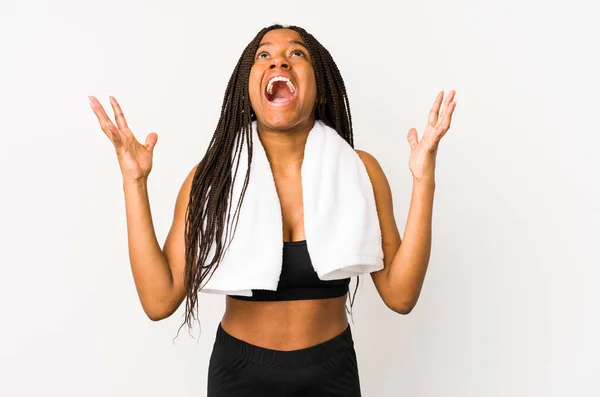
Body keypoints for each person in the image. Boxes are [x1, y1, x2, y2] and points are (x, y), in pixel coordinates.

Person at [89, 24, 456, 397]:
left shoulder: (361, 171)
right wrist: (134, 182)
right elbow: (158, 299)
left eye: (297, 53)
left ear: (321, 86)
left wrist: (424, 180)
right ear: (247, 89)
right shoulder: (211, 179)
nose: (278, 59)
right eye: (263, 55)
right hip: (239, 376)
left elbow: (401, 295)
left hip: (332, 374)